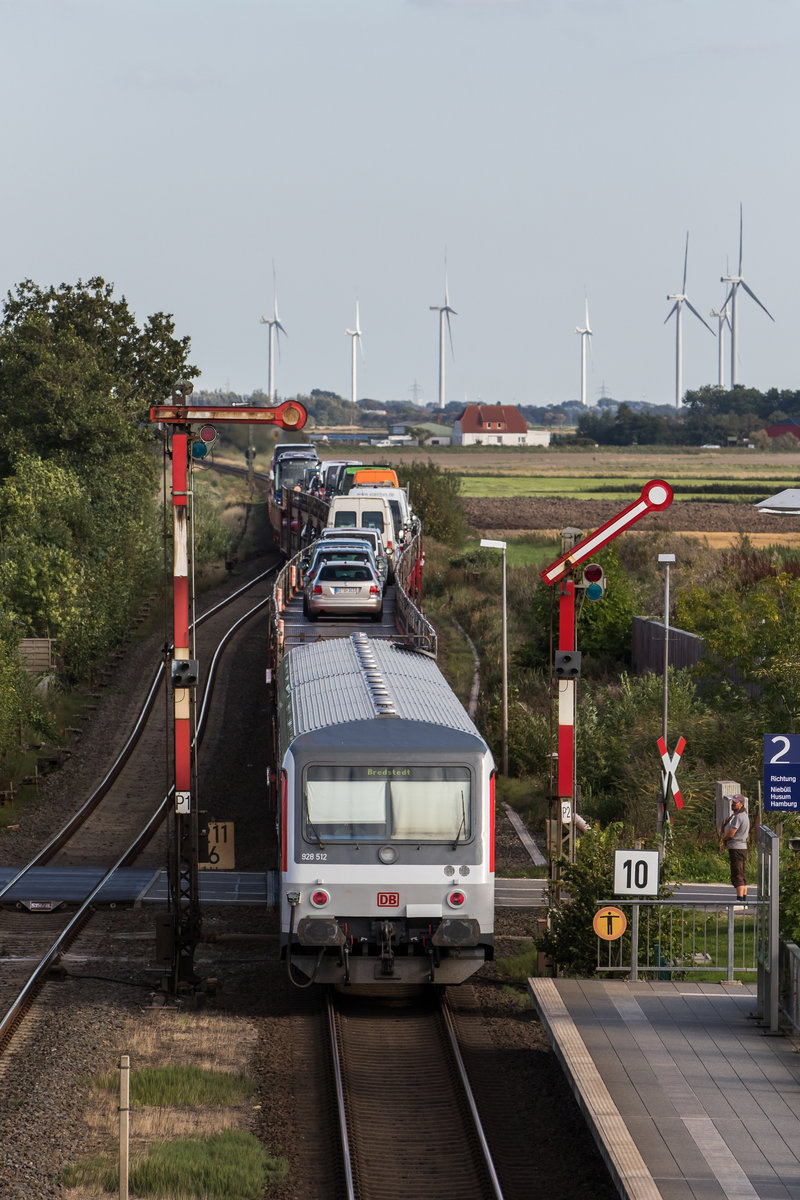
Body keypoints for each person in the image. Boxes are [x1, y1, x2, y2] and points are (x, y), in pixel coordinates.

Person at [720, 793, 750, 903]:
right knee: (742, 873)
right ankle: (744, 900)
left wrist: (724, 839)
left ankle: (739, 900)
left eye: (735, 803)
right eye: (732, 802)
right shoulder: (745, 815)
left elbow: (731, 833)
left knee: (737, 873)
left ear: (741, 804)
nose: (733, 804)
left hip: (736, 847)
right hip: (742, 847)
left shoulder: (738, 817)